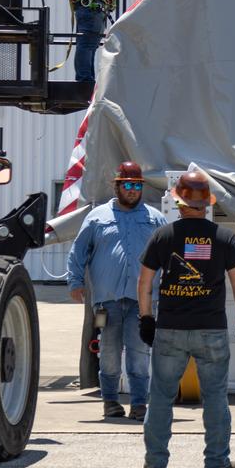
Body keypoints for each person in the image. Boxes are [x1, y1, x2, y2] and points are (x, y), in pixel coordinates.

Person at [137, 170, 235, 468]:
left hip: (170, 330)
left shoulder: (163, 236)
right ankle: (216, 463)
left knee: (161, 396)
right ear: (206, 204)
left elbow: (145, 282)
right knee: (215, 397)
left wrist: (146, 317)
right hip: (211, 330)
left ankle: (155, 462)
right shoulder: (224, 237)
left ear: (178, 201)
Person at [67, 160, 166, 420]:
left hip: (142, 303)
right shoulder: (97, 217)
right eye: (127, 185)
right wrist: (75, 282)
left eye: (136, 185)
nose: (132, 190)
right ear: (117, 187)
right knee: (108, 354)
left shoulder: (155, 219)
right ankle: (110, 401)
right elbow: (78, 252)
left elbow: (169, 256)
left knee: (139, 354)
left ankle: (138, 404)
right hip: (106, 300)